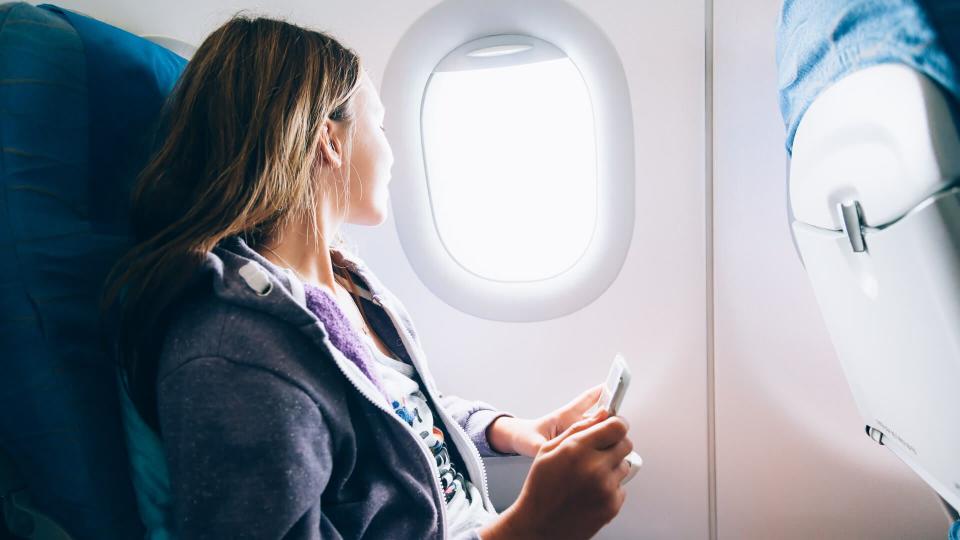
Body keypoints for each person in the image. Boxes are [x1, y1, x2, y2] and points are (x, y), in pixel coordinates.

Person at [101, 14, 634, 540]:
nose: (391, 148)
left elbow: (397, 415)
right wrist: (535, 526)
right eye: (378, 123)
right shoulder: (234, 359)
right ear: (329, 141)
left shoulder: (342, 282)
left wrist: (514, 432)